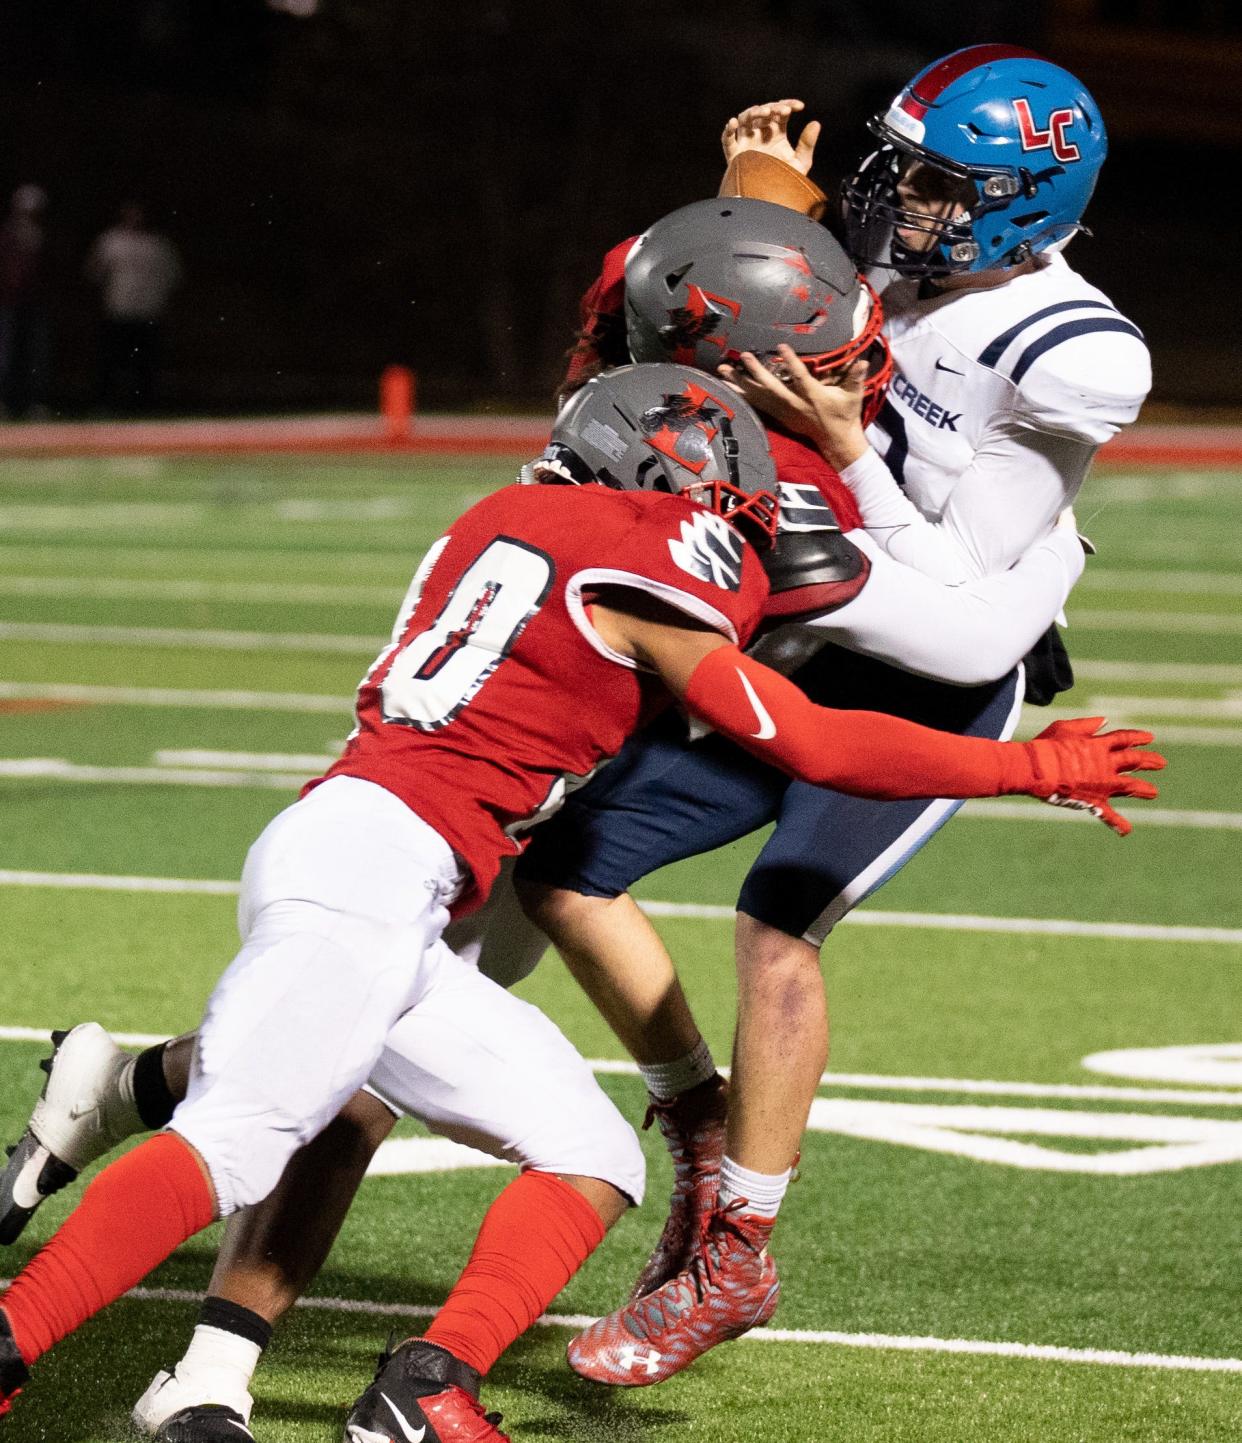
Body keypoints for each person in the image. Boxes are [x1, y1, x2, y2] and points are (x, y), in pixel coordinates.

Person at [0, 361, 1160, 1437]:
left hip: (397, 877)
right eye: (728, 482)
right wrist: (1033, 762)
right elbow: (809, 739)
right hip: (373, 858)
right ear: (666, 471)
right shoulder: (650, 554)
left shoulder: (501, 518)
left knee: (590, 1150)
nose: (741, 508)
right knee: (244, 1137)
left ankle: (423, 1390)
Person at [500, 47, 1154, 1388]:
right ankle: (694, 1125)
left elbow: (964, 581)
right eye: (900, 171)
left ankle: (735, 1253)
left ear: (1025, 201)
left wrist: (848, 450)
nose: (900, 203)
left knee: (777, 921)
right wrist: (759, 196)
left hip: (931, 650)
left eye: (935, 185)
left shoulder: (1069, 347)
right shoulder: (914, 273)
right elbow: (765, 289)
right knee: (566, 869)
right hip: (809, 624)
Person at [85, 202, 183, 412]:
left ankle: (144, 405)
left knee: (146, 363)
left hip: (149, 310)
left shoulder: (158, 244)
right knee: (111, 360)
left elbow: (173, 277)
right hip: (118, 309)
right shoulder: (111, 241)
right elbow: (94, 273)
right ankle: (106, 403)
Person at [0, 185, 52, 419]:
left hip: (36, 303)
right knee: (6, 353)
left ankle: (34, 402)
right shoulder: (7, 234)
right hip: (8, 302)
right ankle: (5, 401)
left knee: (36, 355)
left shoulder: (44, 236)